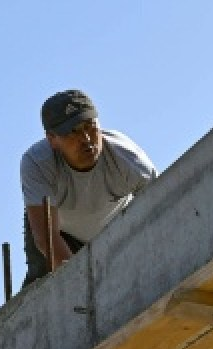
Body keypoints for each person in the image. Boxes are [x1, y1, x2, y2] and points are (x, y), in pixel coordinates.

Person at [20, 89, 157, 288]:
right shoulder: (37, 163)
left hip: (117, 230)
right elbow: (46, 236)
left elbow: (161, 207)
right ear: (52, 139)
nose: (85, 138)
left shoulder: (127, 159)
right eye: (72, 132)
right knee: (46, 287)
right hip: (64, 236)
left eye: (89, 126)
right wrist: (80, 286)